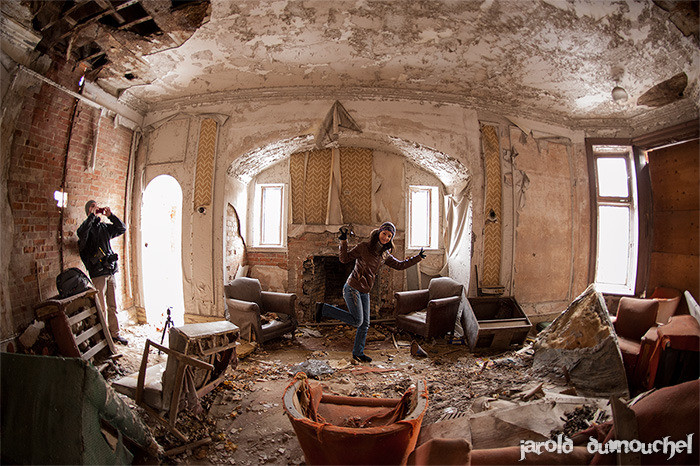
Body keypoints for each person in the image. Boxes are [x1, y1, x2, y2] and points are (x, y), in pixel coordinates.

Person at [315, 222, 425, 363]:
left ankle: (358, 353)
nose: (386, 237)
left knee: (365, 324)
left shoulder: (385, 254)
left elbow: (400, 265)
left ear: (391, 239)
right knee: (358, 321)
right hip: (352, 287)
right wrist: (343, 241)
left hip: (365, 291)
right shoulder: (364, 247)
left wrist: (418, 257)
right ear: (379, 232)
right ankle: (324, 309)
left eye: (389, 236)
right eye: (384, 233)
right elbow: (344, 259)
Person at [77, 200, 128, 345]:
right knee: (101, 307)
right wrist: (91, 217)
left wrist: (110, 215)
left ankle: (115, 334)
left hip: (110, 271)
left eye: (97, 206)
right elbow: (81, 234)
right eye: (93, 207)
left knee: (113, 306)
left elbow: (122, 228)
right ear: (88, 211)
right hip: (98, 274)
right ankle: (104, 336)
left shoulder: (103, 228)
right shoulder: (86, 229)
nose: (97, 208)